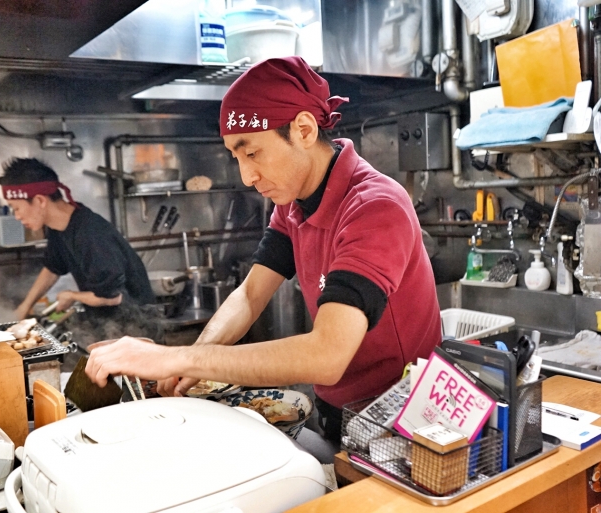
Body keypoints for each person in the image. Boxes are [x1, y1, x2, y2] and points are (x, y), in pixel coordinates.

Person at [84, 57, 441, 443]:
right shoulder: (291, 205)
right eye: (235, 158)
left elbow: (328, 355)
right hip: (339, 411)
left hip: (404, 421)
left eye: (252, 153)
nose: (247, 177)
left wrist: (177, 356)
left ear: (303, 129)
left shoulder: (374, 206)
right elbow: (251, 295)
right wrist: (193, 362)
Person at [0, 158, 155, 321]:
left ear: (40, 201)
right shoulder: (59, 227)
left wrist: (72, 296)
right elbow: (52, 268)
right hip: (108, 324)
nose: (17, 216)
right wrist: (24, 307)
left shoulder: (89, 233)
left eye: (17, 208)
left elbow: (113, 297)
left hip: (136, 328)